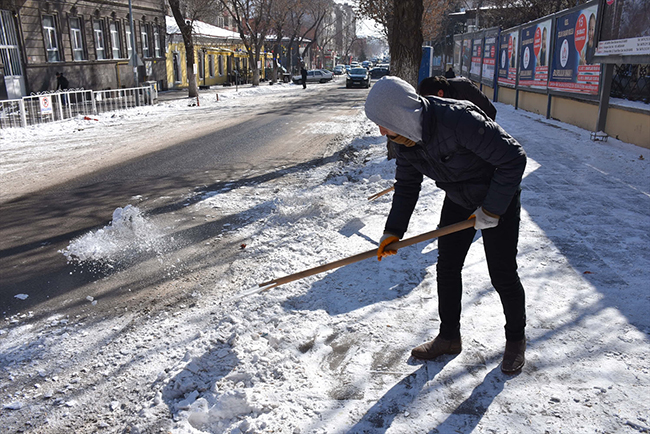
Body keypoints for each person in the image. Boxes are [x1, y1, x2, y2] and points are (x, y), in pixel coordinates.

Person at [365, 76, 528, 374]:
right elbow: (406, 187)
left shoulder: (457, 120)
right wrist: (393, 232)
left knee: (502, 274)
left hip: (497, 195)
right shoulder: (402, 140)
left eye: (383, 122)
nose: (381, 130)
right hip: (459, 197)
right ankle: (449, 336)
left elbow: (514, 158)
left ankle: (516, 339)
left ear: (399, 115)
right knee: (447, 267)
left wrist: (492, 209)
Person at [418, 75, 497, 121]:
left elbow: (490, 111)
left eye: (428, 99)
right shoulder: (439, 99)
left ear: (440, 93)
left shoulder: (464, 89)